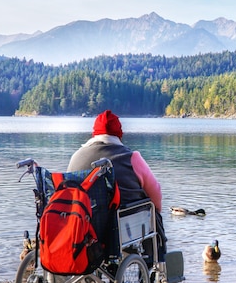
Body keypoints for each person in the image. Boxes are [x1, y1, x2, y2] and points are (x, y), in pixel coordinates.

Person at [67, 110, 166, 261]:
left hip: (84, 229)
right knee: (154, 213)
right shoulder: (132, 157)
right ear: (119, 134)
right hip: (123, 229)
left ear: (94, 133)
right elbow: (156, 196)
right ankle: (153, 267)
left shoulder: (76, 157)